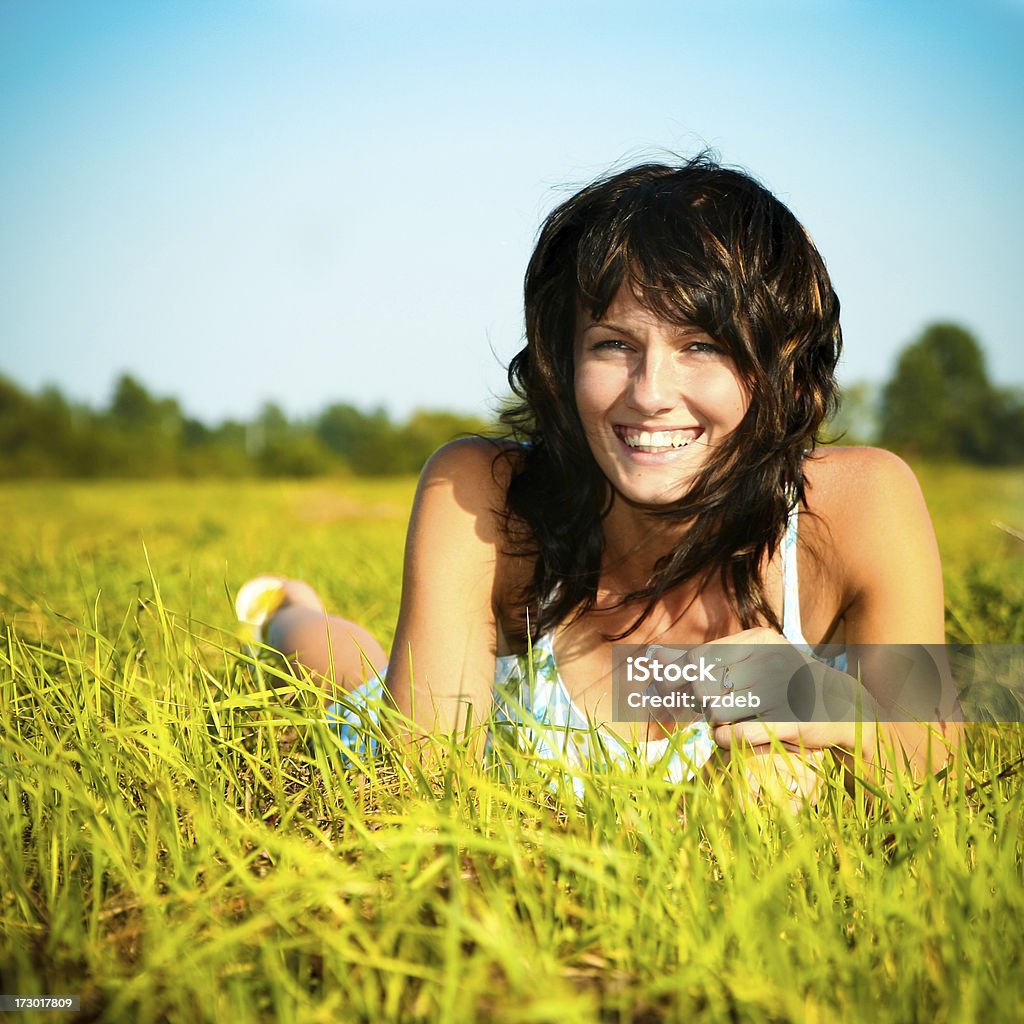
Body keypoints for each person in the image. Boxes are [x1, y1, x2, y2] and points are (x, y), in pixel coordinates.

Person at [236, 155, 959, 800]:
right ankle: (283, 612)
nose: (649, 392)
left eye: (701, 346)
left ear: (779, 370)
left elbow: (933, 750)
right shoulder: (482, 491)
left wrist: (819, 702)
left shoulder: (864, 502)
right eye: (614, 343)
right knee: (335, 664)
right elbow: (419, 783)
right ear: (562, 361)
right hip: (490, 729)